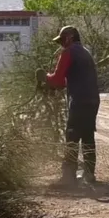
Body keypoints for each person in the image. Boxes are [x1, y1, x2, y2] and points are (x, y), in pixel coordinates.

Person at [40, 25, 100, 185]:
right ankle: (89, 174)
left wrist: (45, 77)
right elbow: (72, 79)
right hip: (93, 100)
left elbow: (58, 80)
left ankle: (68, 177)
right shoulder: (86, 53)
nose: (61, 44)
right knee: (88, 136)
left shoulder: (68, 52)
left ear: (69, 38)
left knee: (72, 137)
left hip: (79, 101)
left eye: (62, 40)